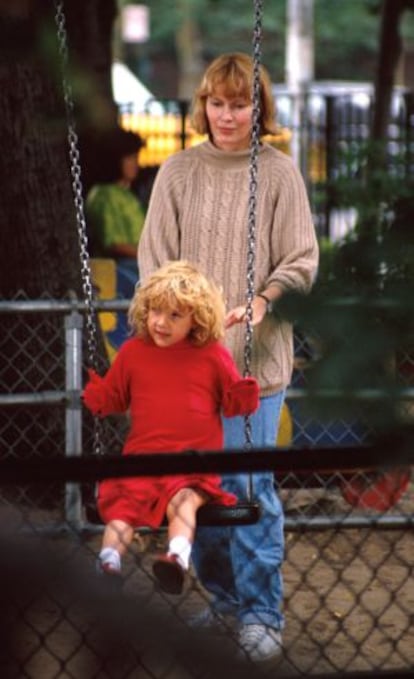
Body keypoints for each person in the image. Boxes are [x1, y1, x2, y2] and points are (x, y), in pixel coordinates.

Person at [138, 53, 319, 662]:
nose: (227, 115)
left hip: (253, 364)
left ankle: (262, 613)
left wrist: (264, 302)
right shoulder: (177, 173)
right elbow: (155, 265)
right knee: (198, 490)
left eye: (240, 104)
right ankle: (223, 601)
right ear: (203, 107)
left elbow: (301, 262)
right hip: (188, 368)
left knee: (247, 488)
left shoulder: (279, 174)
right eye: (217, 103)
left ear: (258, 109)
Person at [82, 260, 259, 596]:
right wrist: (99, 396)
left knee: (184, 500)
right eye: (155, 312)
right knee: (122, 508)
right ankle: (108, 563)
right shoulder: (133, 352)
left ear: (197, 319)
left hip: (193, 464)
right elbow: (115, 398)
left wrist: (244, 393)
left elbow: (234, 402)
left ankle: (176, 558)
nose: (160, 322)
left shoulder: (211, 355)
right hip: (143, 461)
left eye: (174, 315)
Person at [85, 127, 146, 348]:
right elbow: (113, 242)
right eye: (130, 158)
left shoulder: (128, 194)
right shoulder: (103, 195)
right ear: (115, 160)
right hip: (122, 270)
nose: (135, 163)